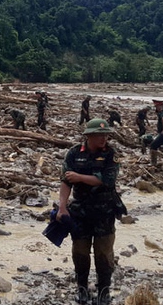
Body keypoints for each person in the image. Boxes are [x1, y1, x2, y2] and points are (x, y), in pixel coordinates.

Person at [58, 118, 122, 305]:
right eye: (99, 135)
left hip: (105, 211)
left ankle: (104, 290)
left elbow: (107, 180)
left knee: (104, 253)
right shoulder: (74, 153)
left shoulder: (111, 154)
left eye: (106, 135)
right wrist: (62, 207)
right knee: (80, 251)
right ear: (89, 136)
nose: (103, 138)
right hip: (81, 211)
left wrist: (79, 177)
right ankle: (82, 288)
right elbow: (65, 182)